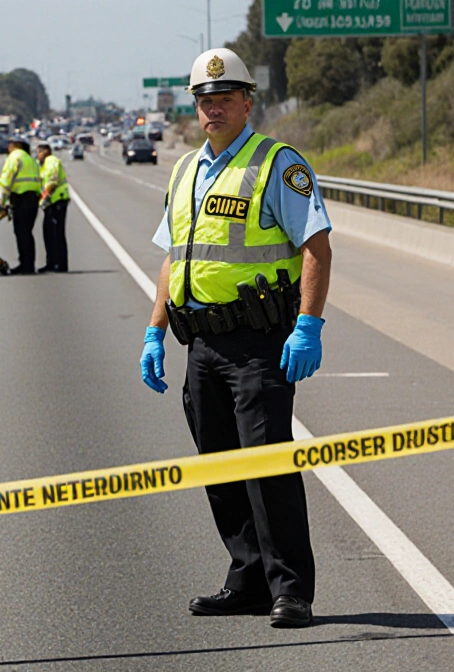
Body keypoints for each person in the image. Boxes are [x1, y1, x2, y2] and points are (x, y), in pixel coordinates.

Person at [139, 47, 333, 629]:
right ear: (194, 107)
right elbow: (174, 257)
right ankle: (246, 579)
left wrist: (308, 325)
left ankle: (291, 590)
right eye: (205, 99)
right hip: (201, 345)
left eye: (225, 98)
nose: (214, 107)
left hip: (260, 342)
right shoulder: (184, 170)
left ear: (248, 101)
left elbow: (316, 246)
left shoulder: (277, 163)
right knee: (218, 467)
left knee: (268, 466)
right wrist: (154, 332)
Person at [0, 137, 41, 274]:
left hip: (21, 197)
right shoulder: (30, 159)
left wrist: (0, 201)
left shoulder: (14, 157)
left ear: (13, 146)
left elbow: (6, 179)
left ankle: (25, 265)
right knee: (27, 232)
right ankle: (29, 264)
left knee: (21, 232)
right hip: (33, 198)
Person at [35, 142, 70, 273]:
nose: (37, 156)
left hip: (57, 201)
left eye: (38, 152)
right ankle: (51, 262)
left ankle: (61, 264)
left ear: (45, 151)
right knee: (48, 232)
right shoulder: (44, 165)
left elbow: (52, 181)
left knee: (57, 233)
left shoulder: (51, 161)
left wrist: (45, 198)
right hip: (51, 202)